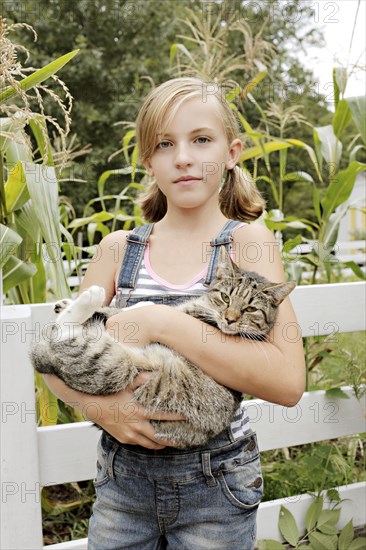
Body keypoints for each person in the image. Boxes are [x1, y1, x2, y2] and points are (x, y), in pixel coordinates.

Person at [43, 77, 305, 549]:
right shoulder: (117, 251)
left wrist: (162, 323)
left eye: (201, 140)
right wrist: (102, 409)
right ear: (148, 160)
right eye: (165, 144)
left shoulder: (248, 245)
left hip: (217, 482)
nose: (183, 157)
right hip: (123, 479)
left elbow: (287, 382)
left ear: (232, 152)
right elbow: (60, 357)